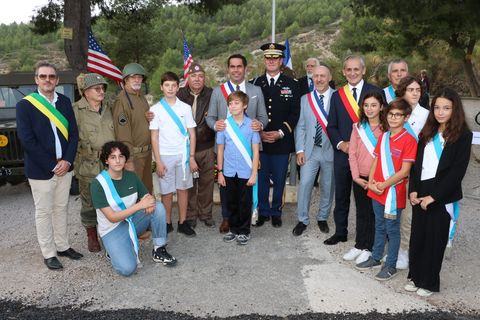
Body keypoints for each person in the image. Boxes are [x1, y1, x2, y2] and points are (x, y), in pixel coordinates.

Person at [406, 88, 472, 297]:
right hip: (422, 189)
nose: (441, 112)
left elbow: (457, 172)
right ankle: (415, 276)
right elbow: (416, 166)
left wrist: (434, 197)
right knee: (418, 237)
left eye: (446, 108)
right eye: (437, 107)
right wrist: (413, 191)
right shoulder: (427, 132)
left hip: (442, 194)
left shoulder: (463, 136)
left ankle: (429, 282)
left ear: (455, 110)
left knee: (435, 239)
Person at [16, 61, 82, 270]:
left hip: (66, 166)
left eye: (51, 76)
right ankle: (49, 253)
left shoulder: (64, 101)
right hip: (41, 170)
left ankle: (62, 246)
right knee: (44, 212)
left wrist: (67, 161)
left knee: (61, 208)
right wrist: (53, 165)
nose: (47, 80)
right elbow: (27, 140)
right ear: (36, 80)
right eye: (43, 76)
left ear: (57, 80)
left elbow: (73, 135)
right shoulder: (25, 105)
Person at [90, 141, 176, 276]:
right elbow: (112, 217)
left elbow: (148, 198)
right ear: (106, 160)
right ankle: (112, 249)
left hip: (131, 222)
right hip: (112, 230)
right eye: (113, 157)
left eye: (121, 156)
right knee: (127, 269)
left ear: (125, 159)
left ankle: (159, 249)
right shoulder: (98, 184)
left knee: (157, 207)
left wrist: (149, 202)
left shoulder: (131, 177)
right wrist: (140, 205)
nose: (118, 161)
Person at [355, 99, 417, 281]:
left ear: (406, 117)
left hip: (392, 193)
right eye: (391, 114)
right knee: (379, 224)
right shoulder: (383, 136)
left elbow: (405, 171)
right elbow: (375, 160)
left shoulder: (409, 140)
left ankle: (391, 265)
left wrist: (384, 185)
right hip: (377, 189)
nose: (393, 118)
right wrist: (372, 182)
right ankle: (375, 257)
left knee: (392, 229)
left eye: (398, 115)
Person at [207, 54, 268, 233]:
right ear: (228, 69)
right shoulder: (218, 91)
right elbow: (210, 117)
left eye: (239, 66)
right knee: (227, 187)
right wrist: (215, 125)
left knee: (244, 190)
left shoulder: (255, 91)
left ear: (245, 68)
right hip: (225, 148)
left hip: (248, 148)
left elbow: (263, 116)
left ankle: (246, 220)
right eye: (232, 67)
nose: (235, 70)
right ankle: (227, 219)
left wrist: (260, 124)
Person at [325, 54, 381, 245]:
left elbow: (383, 124)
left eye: (356, 69)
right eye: (348, 69)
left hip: (369, 157)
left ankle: (366, 237)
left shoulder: (375, 91)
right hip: (343, 155)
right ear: (343, 72)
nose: (352, 73)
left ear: (363, 70)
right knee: (341, 195)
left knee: (366, 200)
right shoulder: (337, 95)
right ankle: (341, 232)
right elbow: (331, 126)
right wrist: (342, 144)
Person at [251, 42, 300, 228]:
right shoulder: (255, 83)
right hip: (260, 141)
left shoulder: (292, 84)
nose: (271, 61)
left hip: (281, 141)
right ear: (264, 60)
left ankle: (276, 212)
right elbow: (250, 112)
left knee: (280, 179)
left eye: (275, 58)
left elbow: (295, 113)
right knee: (262, 178)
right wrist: (260, 132)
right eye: (268, 58)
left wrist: (280, 133)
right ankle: (263, 211)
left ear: (281, 60)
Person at [150, 72, 197, 237]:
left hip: (183, 155)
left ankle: (183, 222)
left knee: (183, 189)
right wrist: (158, 161)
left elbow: (192, 134)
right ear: (161, 87)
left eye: (173, 85)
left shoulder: (185, 107)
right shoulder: (155, 109)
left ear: (178, 87)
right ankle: (167, 222)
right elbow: (154, 137)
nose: (170, 89)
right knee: (166, 192)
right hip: (165, 155)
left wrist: (191, 157)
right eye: (167, 85)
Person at [73, 73, 115, 252]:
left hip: (111, 164)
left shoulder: (109, 108)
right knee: (89, 201)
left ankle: (112, 233)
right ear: (85, 92)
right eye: (96, 88)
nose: (101, 91)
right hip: (88, 164)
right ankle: (91, 235)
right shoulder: (75, 110)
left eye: (103, 88)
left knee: (111, 199)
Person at [292, 65, 334, 236]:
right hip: (310, 151)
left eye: (322, 76)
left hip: (331, 150)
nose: (319, 79)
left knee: (328, 186)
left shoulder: (338, 97)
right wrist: (300, 150)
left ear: (329, 77)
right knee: (305, 184)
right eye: (315, 76)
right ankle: (302, 219)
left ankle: (323, 217)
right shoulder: (305, 99)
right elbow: (300, 127)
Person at [343, 91, 385, 264]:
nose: (369, 109)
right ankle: (360, 244)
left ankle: (370, 247)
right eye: (366, 105)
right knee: (361, 212)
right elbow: (351, 153)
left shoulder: (386, 128)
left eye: (373, 105)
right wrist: (355, 176)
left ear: (381, 107)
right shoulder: (357, 127)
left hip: (377, 179)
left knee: (374, 214)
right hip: (360, 177)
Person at [394, 76, 430, 269]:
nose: (415, 93)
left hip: (414, 171)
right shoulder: (394, 112)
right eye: (410, 89)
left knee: (408, 214)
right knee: (392, 211)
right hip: (393, 170)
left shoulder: (427, 115)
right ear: (402, 92)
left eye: (418, 90)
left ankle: (404, 251)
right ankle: (393, 248)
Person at [216, 91, 260, 245]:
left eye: (236, 103)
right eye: (230, 103)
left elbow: (255, 151)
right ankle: (233, 230)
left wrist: (254, 173)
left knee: (244, 202)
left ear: (245, 105)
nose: (232, 106)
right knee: (231, 201)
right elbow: (220, 150)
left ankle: (244, 230)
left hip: (245, 170)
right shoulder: (224, 125)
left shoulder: (252, 125)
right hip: (228, 170)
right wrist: (220, 172)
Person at [177, 63, 215, 228]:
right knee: (189, 183)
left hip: (207, 146)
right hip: (186, 148)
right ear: (188, 78)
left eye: (200, 76)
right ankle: (190, 215)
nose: (197, 79)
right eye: (193, 76)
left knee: (207, 182)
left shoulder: (213, 94)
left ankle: (206, 214)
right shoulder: (179, 95)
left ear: (204, 78)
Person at [112, 62, 153, 193]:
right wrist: (128, 160)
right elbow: (122, 134)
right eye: (133, 77)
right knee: (133, 194)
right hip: (134, 156)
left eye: (139, 77)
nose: (137, 80)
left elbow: (139, 122)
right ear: (126, 80)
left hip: (146, 154)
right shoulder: (122, 101)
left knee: (146, 192)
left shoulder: (141, 97)